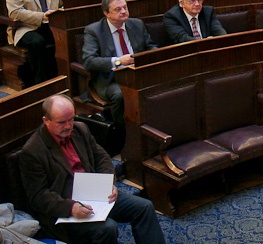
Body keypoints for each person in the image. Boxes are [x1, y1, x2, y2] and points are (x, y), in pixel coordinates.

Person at [19, 94, 166, 243]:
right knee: (108, 228)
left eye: (71, 119)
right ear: (46, 121)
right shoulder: (33, 151)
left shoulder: (80, 129)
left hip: (94, 194)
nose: (68, 126)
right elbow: (38, 196)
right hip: (64, 207)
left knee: (144, 207)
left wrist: (109, 183)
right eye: (62, 122)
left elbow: (101, 157)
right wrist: (70, 208)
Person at [82, 0, 158, 125]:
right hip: (111, 80)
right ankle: (122, 130)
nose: (123, 12)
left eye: (125, 7)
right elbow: (89, 61)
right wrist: (118, 61)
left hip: (138, 73)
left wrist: (151, 55)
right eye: (118, 9)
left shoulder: (137, 24)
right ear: (106, 13)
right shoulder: (94, 31)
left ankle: (151, 125)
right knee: (121, 95)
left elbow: (151, 46)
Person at [5, 0, 69, 86]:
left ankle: (63, 79)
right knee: (37, 42)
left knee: (66, 37)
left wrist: (59, 12)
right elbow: (15, 12)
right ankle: (40, 84)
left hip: (52, 25)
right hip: (27, 27)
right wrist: (42, 16)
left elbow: (68, 1)